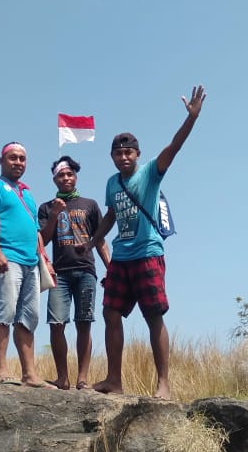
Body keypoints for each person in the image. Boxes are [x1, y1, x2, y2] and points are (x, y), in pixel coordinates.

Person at [80, 85, 206, 400]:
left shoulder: (151, 172)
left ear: (137, 154)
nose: (123, 157)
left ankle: (163, 383)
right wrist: (94, 241)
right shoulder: (112, 182)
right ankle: (113, 379)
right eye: (118, 153)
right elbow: (111, 215)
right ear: (112, 157)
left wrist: (191, 119)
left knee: (153, 316)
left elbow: (174, 147)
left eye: (128, 152)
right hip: (121, 257)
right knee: (110, 313)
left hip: (148, 253)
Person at [0, 141, 50, 388]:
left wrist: (45, 262)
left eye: (22, 158)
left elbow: (36, 231)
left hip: (31, 262)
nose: (18, 162)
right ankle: (1, 371)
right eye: (13, 158)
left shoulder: (27, 193)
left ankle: (30, 375)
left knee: (29, 317)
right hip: (8, 259)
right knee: (4, 313)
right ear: (2, 160)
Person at [37, 156, 111, 390]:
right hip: (59, 273)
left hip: (86, 270)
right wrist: (55, 215)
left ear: (76, 177)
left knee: (84, 323)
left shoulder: (89, 204)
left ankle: (82, 378)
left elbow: (100, 240)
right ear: (54, 179)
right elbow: (44, 240)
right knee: (56, 324)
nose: (66, 178)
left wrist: (112, 269)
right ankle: (62, 378)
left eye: (70, 174)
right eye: (61, 175)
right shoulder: (47, 207)